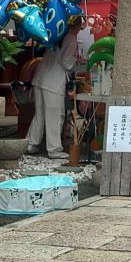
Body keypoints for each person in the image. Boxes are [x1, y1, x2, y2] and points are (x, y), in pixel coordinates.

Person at [26, 17, 83, 159]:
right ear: (77, 26)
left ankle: (30, 143)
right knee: (55, 115)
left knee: (40, 114)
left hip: (40, 78)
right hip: (53, 81)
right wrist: (77, 59)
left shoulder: (57, 33)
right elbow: (66, 61)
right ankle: (54, 149)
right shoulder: (71, 38)